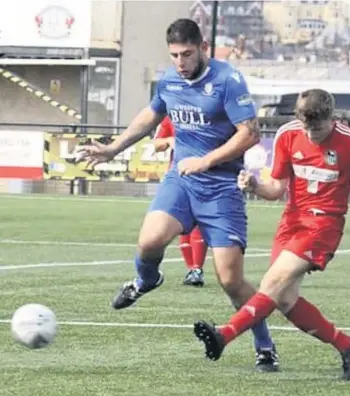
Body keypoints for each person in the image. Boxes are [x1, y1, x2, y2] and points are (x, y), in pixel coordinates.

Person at [80, 18, 279, 372]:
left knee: (231, 280)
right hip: (182, 181)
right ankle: (146, 279)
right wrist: (113, 149)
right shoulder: (171, 79)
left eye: (187, 54)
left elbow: (249, 133)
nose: (180, 62)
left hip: (221, 188)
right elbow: (151, 115)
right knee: (149, 240)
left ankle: (265, 345)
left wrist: (207, 160)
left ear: (203, 48)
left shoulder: (227, 80)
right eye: (174, 55)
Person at [193, 88, 350, 380]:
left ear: (333, 118)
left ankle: (223, 335)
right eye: (306, 126)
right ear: (298, 119)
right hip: (291, 222)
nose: (312, 133)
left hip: (324, 225)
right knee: (284, 299)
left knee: (272, 282)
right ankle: (348, 346)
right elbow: (276, 189)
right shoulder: (288, 135)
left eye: (317, 128)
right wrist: (254, 185)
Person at [154, 116, 207, 287]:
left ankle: (197, 269)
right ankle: (192, 268)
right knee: (182, 222)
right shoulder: (171, 116)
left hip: (204, 174)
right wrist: (170, 140)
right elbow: (157, 144)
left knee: (199, 223)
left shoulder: (205, 113)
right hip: (178, 175)